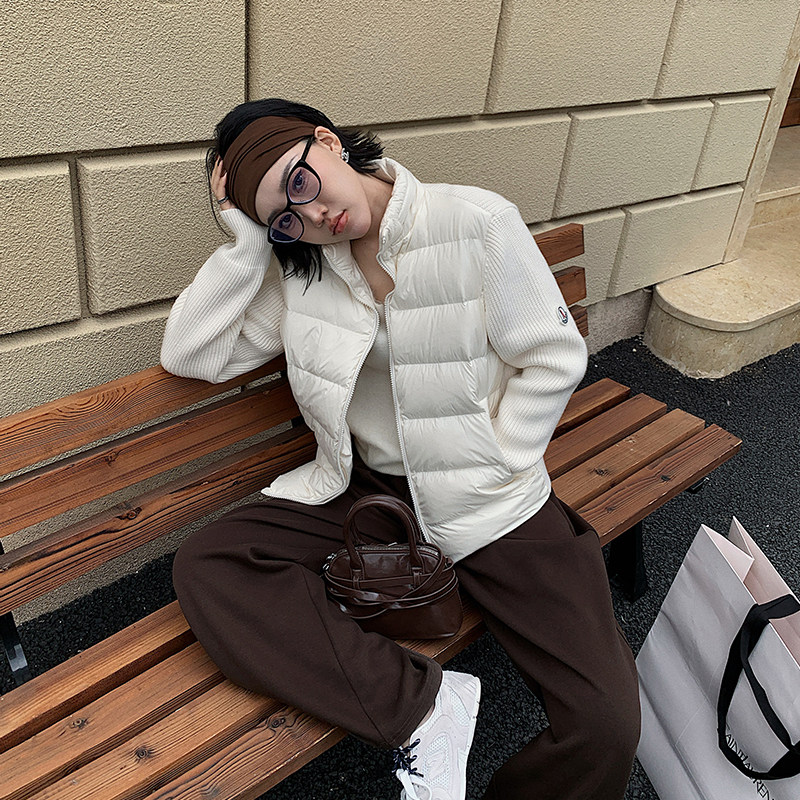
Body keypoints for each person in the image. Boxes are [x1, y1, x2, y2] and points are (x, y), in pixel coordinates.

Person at [161, 98, 641, 800]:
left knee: (605, 725)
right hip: (367, 493)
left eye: (301, 182)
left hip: (490, 501)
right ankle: (425, 709)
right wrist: (245, 243)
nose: (313, 215)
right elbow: (191, 355)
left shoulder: (475, 221)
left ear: (327, 142)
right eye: (284, 218)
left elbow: (553, 355)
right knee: (210, 565)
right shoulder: (304, 269)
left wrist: (499, 458)